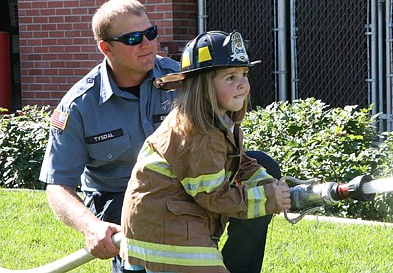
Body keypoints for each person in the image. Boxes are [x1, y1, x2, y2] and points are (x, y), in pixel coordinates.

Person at [119, 30, 291, 273]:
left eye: (244, 74)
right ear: (203, 86)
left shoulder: (217, 121)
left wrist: (270, 184)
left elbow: (239, 163)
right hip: (166, 232)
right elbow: (214, 197)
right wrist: (268, 199)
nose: (242, 84)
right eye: (230, 77)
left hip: (170, 222)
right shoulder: (198, 135)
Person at [39, 0, 179, 273]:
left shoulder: (181, 80)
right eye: (133, 38)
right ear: (106, 48)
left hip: (181, 185)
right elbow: (58, 185)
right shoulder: (78, 106)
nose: (148, 44)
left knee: (262, 166)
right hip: (119, 198)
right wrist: (92, 227)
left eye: (151, 33)